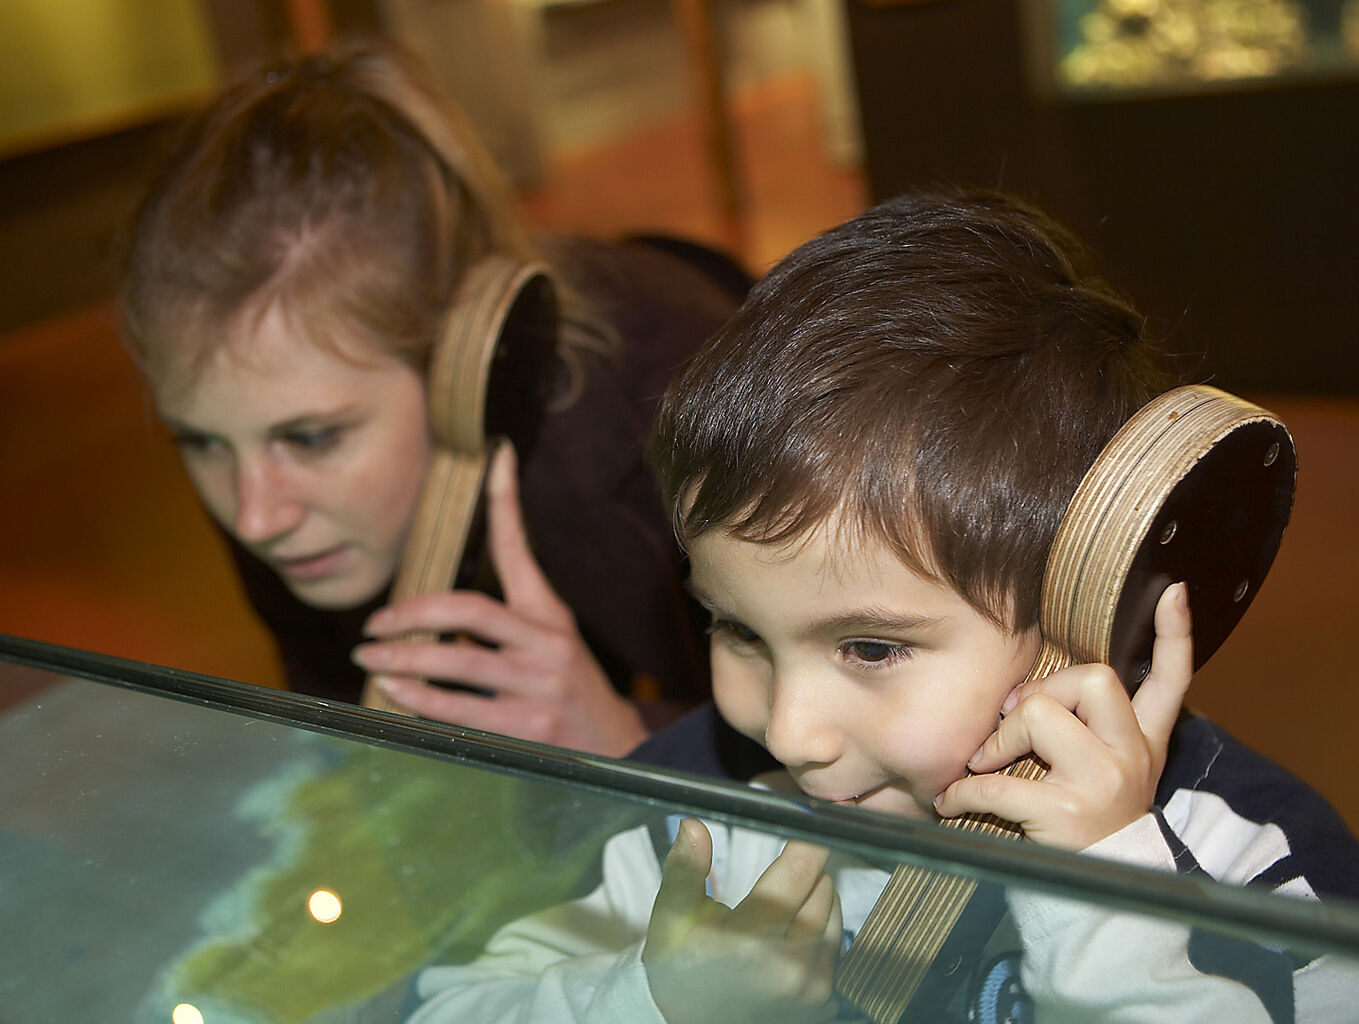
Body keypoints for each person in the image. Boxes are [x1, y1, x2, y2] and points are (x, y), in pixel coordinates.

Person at [406, 190, 1359, 1021]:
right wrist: (661, 1002)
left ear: (1091, 619)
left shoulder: (1256, 864)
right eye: (737, 629)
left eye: (869, 648)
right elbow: (441, 1005)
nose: (789, 732)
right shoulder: (704, 812)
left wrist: (1104, 914)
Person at [119, 36, 746, 756]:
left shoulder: (675, 400)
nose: (255, 518)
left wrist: (628, 736)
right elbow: (347, 723)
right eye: (199, 442)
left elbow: (836, 738)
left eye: (313, 438)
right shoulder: (260, 449)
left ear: (458, 364)